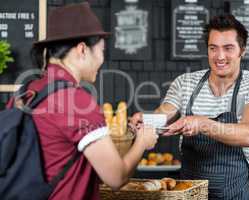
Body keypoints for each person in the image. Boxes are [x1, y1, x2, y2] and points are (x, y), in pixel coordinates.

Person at [7, 3, 158, 200]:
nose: (102, 59)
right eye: (102, 51)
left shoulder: (27, 90)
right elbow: (116, 178)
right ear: (82, 49)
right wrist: (142, 142)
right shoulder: (77, 102)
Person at [130, 14, 249, 199]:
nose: (220, 56)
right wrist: (145, 120)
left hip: (233, 195)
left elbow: (248, 134)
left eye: (228, 48)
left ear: (242, 50)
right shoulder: (185, 82)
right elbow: (163, 117)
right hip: (187, 194)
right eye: (213, 48)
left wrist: (201, 123)